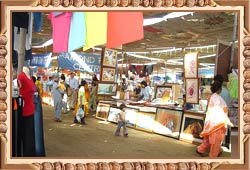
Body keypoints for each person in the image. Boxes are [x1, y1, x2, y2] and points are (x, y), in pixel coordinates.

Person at [196, 81, 233, 157]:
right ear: (219, 89)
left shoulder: (210, 96)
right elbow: (222, 110)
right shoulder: (218, 98)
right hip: (217, 122)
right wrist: (226, 119)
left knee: (208, 139)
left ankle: (200, 149)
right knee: (215, 141)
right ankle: (213, 156)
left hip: (210, 121)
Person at [17, 66, 36, 156]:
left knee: (30, 135)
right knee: (26, 135)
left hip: (31, 110)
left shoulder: (30, 77)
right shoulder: (21, 77)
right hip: (24, 111)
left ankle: (30, 154)